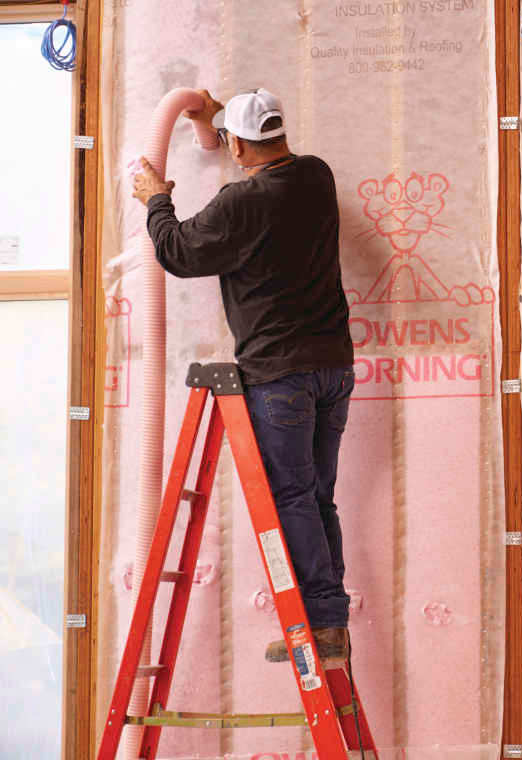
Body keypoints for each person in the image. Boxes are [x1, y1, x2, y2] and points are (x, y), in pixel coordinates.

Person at [131, 88, 355, 663]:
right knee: (316, 497)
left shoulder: (241, 203)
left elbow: (177, 253)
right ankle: (328, 623)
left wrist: (156, 199)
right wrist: (218, 117)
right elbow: (258, 142)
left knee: (290, 501)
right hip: (334, 367)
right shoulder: (316, 176)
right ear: (279, 132)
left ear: (234, 144)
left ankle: (324, 626)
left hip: (280, 376)